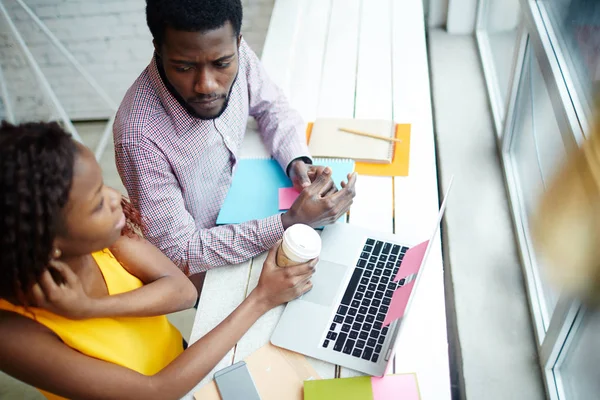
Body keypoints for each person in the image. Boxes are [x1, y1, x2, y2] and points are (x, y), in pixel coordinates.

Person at [0, 121, 316, 400]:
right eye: (97, 203)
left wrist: (89, 308)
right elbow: (156, 391)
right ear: (44, 240)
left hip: (187, 361)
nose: (114, 198)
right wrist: (260, 299)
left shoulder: (104, 236)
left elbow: (182, 292)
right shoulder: (11, 334)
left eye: (101, 186)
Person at [113, 0, 356, 281]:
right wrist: (290, 222)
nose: (207, 85)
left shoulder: (231, 50)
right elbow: (179, 253)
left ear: (238, 43)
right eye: (184, 67)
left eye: (221, 64)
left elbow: (272, 107)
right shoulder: (138, 137)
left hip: (259, 209)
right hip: (215, 270)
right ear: (158, 47)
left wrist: (295, 161)